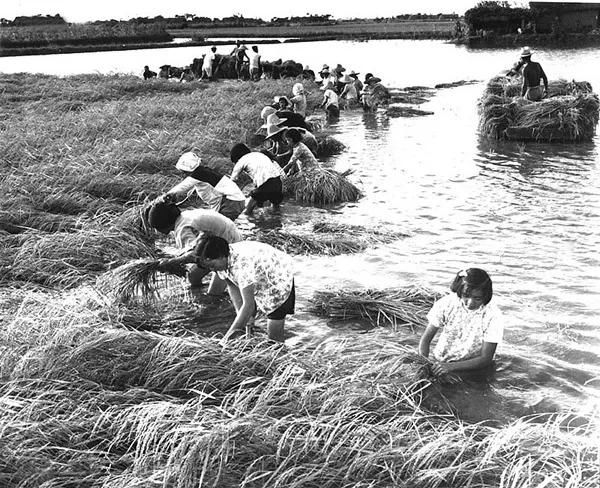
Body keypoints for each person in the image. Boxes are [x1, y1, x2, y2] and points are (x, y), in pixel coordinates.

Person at [194, 235, 295, 342]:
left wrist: (226, 339)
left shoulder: (242, 267)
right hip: (258, 267)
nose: (212, 270)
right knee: (247, 319)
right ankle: (250, 341)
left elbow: (248, 305)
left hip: (278, 273)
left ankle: (278, 351)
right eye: (208, 267)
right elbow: (232, 286)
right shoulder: (221, 259)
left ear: (222, 256)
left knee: (274, 330)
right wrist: (244, 316)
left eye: (212, 265)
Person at [419, 268, 504, 375]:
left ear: (486, 296)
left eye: (477, 298)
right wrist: (424, 364)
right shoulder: (446, 304)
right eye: (466, 296)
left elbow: (486, 358)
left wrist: (451, 367)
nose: (470, 303)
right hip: (441, 361)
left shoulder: (493, 315)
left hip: (473, 367)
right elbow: (426, 340)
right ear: (459, 292)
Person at [147, 202, 242, 286]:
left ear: (163, 225)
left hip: (228, 249)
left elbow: (194, 255)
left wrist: (169, 263)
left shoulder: (183, 228)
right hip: (231, 235)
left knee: (211, 290)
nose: (157, 231)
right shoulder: (184, 216)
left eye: (157, 228)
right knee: (193, 277)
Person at [161, 151, 246, 221]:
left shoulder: (198, 174)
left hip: (232, 202)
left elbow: (182, 187)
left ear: (189, 169)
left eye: (184, 171)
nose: (183, 173)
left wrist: (166, 195)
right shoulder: (203, 173)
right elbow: (191, 193)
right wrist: (180, 203)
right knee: (218, 227)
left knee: (219, 229)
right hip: (234, 201)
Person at [230, 143, 284, 215]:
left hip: (267, 183)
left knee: (246, 212)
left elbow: (232, 181)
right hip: (278, 182)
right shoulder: (259, 155)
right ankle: (276, 223)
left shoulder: (241, 161)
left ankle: (250, 223)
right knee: (275, 210)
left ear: (237, 158)